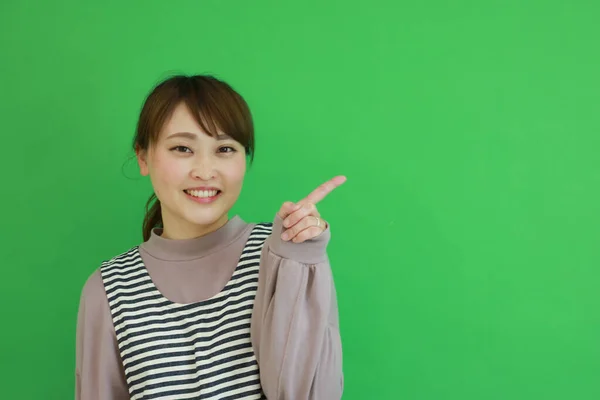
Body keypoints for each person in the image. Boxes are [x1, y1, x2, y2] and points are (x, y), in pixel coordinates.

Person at [75, 74, 345, 400]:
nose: (205, 170)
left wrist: (300, 262)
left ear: (243, 160)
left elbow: (306, 392)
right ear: (143, 157)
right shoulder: (108, 289)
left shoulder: (280, 254)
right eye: (182, 148)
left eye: (225, 148)